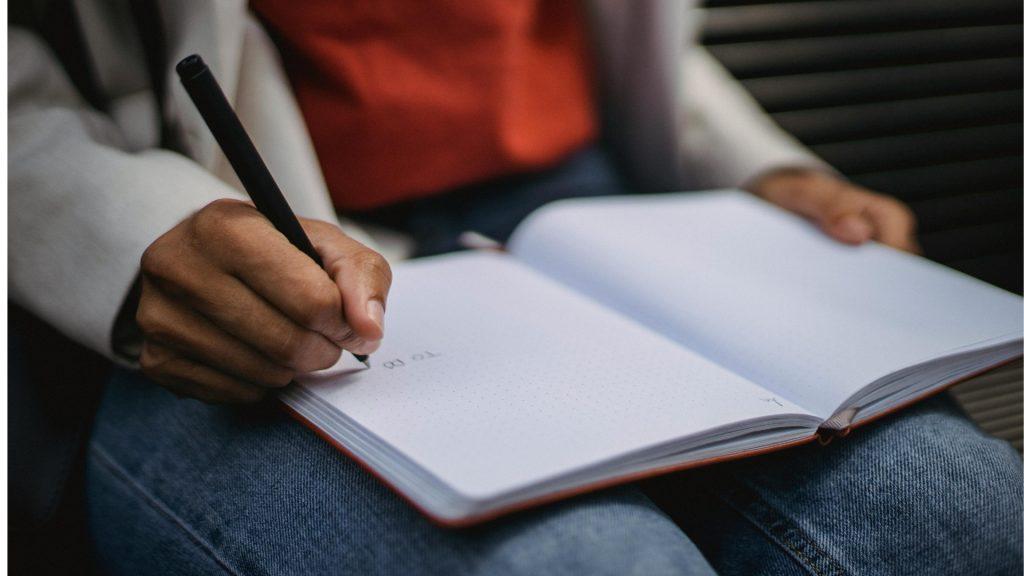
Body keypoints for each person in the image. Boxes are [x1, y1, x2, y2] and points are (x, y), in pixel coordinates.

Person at [9, 1, 1020, 574]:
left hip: (589, 207)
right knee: (592, 566)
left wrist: (752, 171)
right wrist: (124, 229)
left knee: (969, 518)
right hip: (246, 231)